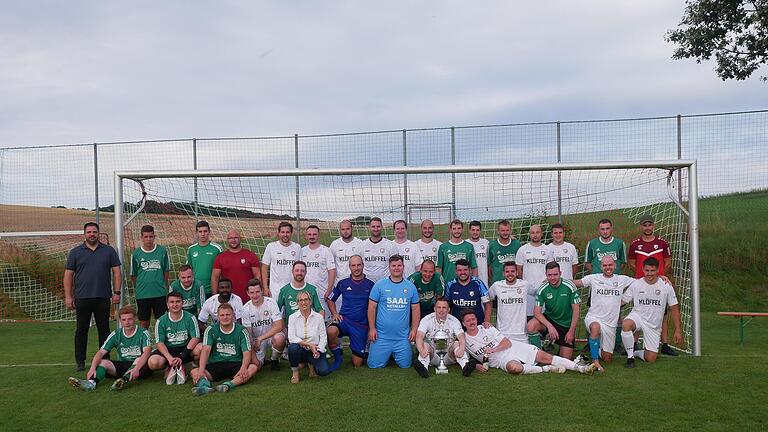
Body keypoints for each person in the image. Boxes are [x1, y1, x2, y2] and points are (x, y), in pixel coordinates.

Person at [462, 309, 595, 375]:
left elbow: (506, 343)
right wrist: (477, 366)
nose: (472, 322)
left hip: (512, 348)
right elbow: (464, 358)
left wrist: (493, 350)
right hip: (501, 361)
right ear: (463, 323)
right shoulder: (464, 340)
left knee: (546, 357)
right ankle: (545, 369)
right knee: (515, 369)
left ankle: (582, 369)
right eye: (468, 321)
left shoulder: (486, 328)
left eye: (473, 319)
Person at [64, 222, 122, 371]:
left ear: (98, 233)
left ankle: (105, 359)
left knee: (104, 329)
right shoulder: (76, 252)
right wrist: (68, 296)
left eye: (94, 232)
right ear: (84, 234)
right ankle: (80, 361)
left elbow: (117, 272)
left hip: (103, 297)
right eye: (89, 232)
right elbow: (68, 275)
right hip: (82, 298)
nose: (92, 234)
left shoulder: (108, 251)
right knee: (81, 330)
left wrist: (117, 292)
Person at [572, 256, 635, 371]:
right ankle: (595, 362)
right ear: (601, 267)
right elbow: (577, 283)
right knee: (595, 327)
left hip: (610, 324)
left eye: (610, 265)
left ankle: (590, 352)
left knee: (607, 358)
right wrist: (557, 280)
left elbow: (641, 283)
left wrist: (660, 277)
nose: (608, 268)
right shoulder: (594, 278)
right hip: (594, 317)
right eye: (605, 265)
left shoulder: (622, 279)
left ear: (615, 266)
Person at [68, 306, 152, 391]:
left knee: (138, 359)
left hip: (141, 367)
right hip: (123, 365)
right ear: (120, 320)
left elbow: (147, 353)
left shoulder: (143, 332)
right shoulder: (116, 334)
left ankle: (123, 381)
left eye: (129, 319)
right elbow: (101, 352)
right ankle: (91, 383)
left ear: (135, 318)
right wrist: (92, 368)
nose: (127, 322)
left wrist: (137, 369)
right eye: (124, 320)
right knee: (103, 362)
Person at [627, 214, 677, 356]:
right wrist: (641, 274)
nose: (647, 227)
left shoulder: (662, 243)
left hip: (658, 283)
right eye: (645, 225)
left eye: (650, 225)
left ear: (653, 226)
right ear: (641, 226)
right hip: (641, 283)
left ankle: (665, 344)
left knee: (662, 313)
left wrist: (660, 275)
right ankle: (635, 344)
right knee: (638, 311)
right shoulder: (635, 244)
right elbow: (631, 262)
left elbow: (667, 261)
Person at [620, 258, 683, 368]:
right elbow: (621, 302)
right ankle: (630, 357)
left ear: (658, 270)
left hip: (653, 325)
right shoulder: (636, 284)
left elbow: (674, 308)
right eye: (647, 270)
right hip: (638, 317)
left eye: (652, 271)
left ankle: (636, 353)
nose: (649, 274)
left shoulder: (666, 285)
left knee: (651, 358)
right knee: (626, 324)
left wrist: (678, 330)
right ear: (643, 270)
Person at [191, 303, 257, 395]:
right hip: (216, 364)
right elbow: (205, 350)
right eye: (222, 315)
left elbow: (247, 352)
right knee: (195, 371)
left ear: (233, 315)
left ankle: (228, 385)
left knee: (252, 367)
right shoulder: (210, 329)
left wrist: (243, 368)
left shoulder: (242, 330)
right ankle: (204, 387)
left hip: (235, 364)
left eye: (228, 315)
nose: (225, 317)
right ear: (217, 317)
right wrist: (201, 370)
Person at [367, 255, 420, 368]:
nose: (397, 268)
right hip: (381, 336)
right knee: (373, 366)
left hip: (402, 337)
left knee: (406, 365)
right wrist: (372, 329)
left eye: (399, 265)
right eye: (394, 265)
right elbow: (371, 308)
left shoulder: (410, 287)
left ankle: (394, 353)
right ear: (389, 267)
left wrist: (414, 329)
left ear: (403, 267)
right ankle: (386, 353)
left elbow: (415, 309)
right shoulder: (380, 285)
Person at [327, 255, 375, 369]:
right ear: (349, 267)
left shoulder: (371, 284)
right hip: (345, 320)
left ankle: (361, 351)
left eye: (359, 265)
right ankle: (338, 357)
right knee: (331, 331)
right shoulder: (342, 283)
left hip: (361, 325)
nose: (356, 268)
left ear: (363, 265)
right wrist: (334, 313)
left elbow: (375, 306)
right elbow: (330, 299)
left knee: (357, 364)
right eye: (353, 265)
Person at [527, 262, 580, 359]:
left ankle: (553, 343)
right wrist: (549, 326)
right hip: (550, 319)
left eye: (555, 274)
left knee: (565, 360)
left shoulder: (570, 286)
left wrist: (571, 331)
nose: (552, 278)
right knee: (531, 325)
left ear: (560, 273)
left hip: (566, 325)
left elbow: (576, 310)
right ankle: (539, 355)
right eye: (549, 275)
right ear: (546, 274)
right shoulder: (542, 288)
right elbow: (537, 312)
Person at [147, 292, 201, 384]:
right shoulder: (161, 321)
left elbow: (195, 338)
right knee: (153, 362)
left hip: (185, 349)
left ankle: (194, 367)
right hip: (168, 350)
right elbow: (159, 343)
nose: (175, 304)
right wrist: (169, 358)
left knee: (201, 347)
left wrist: (182, 355)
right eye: (172, 302)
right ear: (167, 305)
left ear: (182, 303)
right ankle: (169, 367)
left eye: (178, 302)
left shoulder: (191, 317)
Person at [413, 297, 472, 378]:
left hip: (449, 355)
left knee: (457, 343)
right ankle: (423, 368)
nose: (441, 310)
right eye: (439, 307)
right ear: (434, 308)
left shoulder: (454, 321)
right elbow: (419, 336)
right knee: (424, 344)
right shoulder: (426, 319)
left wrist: (461, 349)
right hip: (432, 355)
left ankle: (466, 367)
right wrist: (421, 350)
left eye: (444, 307)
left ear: (448, 309)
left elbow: (461, 337)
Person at [130, 224, 170, 329]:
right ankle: (145, 344)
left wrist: (163, 285)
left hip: (159, 292)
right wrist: (141, 285)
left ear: (154, 236)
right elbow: (133, 275)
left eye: (151, 236)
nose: (148, 239)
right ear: (141, 237)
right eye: (146, 237)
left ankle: (161, 344)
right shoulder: (136, 254)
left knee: (161, 322)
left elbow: (166, 271)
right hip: (143, 294)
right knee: (144, 323)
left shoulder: (162, 251)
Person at [241, 279, 285, 371]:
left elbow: (279, 325)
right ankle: (263, 360)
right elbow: (248, 332)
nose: (255, 295)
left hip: (270, 336)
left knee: (280, 339)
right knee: (257, 367)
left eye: (257, 292)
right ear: (247, 293)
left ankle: (274, 360)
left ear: (262, 291)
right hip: (256, 341)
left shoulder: (271, 303)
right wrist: (253, 344)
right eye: (252, 292)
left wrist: (261, 338)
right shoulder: (245, 309)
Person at [488, 262, 537, 345]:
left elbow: (537, 293)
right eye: (507, 272)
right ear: (503, 273)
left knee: (523, 357)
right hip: (502, 333)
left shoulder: (525, 285)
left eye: (512, 271)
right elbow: (488, 299)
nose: (510, 274)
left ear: (517, 272)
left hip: (521, 333)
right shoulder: (496, 286)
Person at [287, 291, 331, 383]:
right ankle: (295, 372)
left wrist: (319, 350)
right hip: (300, 349)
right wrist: (309, 345)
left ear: (310, 302)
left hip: (315, 350)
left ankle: (312, 365)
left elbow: (323, 337)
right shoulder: (292, 317)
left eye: (306, 299)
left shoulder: (319, 317)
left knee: (323, 372)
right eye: (301, 300)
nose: (303, 302)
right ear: (297, 303)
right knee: (292, 348)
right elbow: (291, 338)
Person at [515, 224, 554, 318]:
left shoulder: (548, 250)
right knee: (528, 316)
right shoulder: (522, 250)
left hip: (544, 289)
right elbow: (519, 271)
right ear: (529, 234)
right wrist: (525, 283)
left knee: (544, 316)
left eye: (537, 232)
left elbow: (551, 269)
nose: (535, 235)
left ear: (541, 234)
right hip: (527, 291)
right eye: (532, 233)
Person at [211, 229, 260, 302]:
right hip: (228, 298)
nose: (233, 240)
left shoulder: (250, 255)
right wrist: (214, 297)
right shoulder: (221, 257)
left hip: (248, 298)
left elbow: (257, 275)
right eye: (231, 238)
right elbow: (215, 277)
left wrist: (257, 293)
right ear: (227, 240)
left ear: (240, 239)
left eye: (235, 238)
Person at [301, 225, 337, 319]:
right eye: (309, 234)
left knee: (323, 320)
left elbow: (332, 271)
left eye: (314, 234)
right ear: (306, 236)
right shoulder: (302, 251)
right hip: (306, 293)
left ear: (318, 236)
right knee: (307, 320)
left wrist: (329, 290)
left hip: (322, 293)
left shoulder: (326, 251)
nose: (312, 236)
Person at [261, 221, 302, 300]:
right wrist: (265, 288)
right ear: (279, 233)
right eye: (282, 232)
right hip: (275, 290)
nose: (285, 235)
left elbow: (301, 269)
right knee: (276, 312)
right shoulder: (271, 246)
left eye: (287, 232)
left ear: (291, 233)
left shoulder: (297, 247)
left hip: (293, 288)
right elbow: (264, 267)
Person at [445, 259, 491, 325]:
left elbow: (487, 304)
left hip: (476, 324)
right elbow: (446, 304)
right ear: (456, 271)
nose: (462, 272)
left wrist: (486, 321)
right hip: (457, 325)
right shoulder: (450, 284)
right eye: (459, 270)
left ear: (470, 270)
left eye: (465, 270)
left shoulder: (478, 283)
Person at [186, 220, 223, 298]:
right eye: (200, 231)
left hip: (212, 289)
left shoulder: (217, 248)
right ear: (196, 233)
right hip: (196, 289)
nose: (203, 234)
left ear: (209, 232)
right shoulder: (191, 249)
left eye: (205, 231)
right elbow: (188, 269)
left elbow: (222, 270)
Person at [436, 219, 478, 284]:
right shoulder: (443, 247)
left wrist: (474, 283)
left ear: (462, 229)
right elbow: (439, 269)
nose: (456, 231)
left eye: (459, 228)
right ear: (450, 230)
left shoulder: (469, 246)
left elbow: (474, 268)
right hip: (448, 284)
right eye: (454, 229)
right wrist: (440, 284)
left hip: (465, 285)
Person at [362, 217, 399, 282]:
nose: (376, 229)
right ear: (369, 228)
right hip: (366, 283)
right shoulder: (361, 246)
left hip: (385, 283)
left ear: (382, 227)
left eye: (378, 226)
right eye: (373, 226)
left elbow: (396, 266)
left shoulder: (391, 245)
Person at [487, 219, 522, 286]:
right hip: (498, 283)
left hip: (514, 283)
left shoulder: (517, 244)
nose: (505, 233)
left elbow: (520, 265)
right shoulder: (492, 245)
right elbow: (489, 265)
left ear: (511, 231)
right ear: (498, 231)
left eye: (507, 230)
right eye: (502, 230)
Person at [468, 220, 490, 288]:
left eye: (477, 230)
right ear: (469, 231)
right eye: (473, 230)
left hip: (484, 280)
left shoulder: (486, 243)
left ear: (480, 231)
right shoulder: (466, 244)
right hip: (469, 280)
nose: (475, 232)